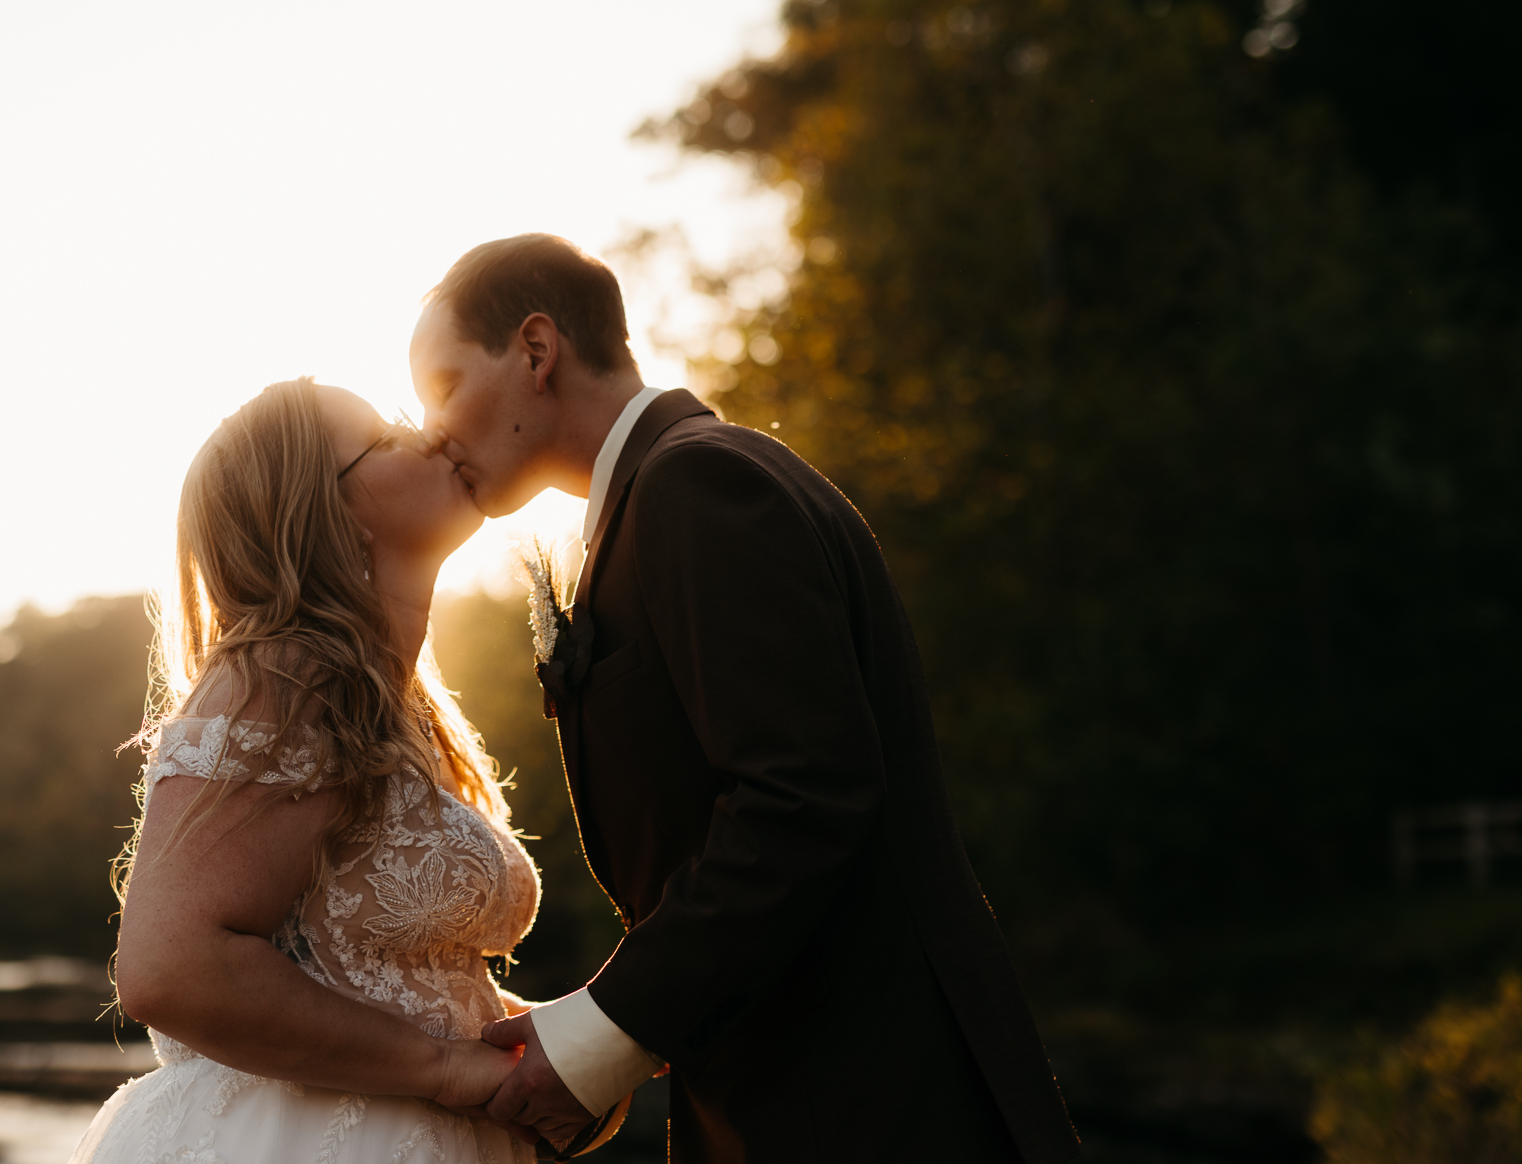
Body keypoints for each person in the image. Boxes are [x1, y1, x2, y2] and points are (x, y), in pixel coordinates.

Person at [409, 234, 1083, 1162]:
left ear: (536, 350)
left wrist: (605, 1032)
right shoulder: (663, 498)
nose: (434, 429)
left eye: (443, 385)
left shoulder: (701, 486)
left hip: (873, 1100)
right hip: (803, 1090)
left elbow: (802, 798)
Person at [71, 378, 540, 1164]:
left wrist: (561, 1046)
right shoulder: (288, 674)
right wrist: (443, 1067)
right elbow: (168, 969)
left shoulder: (395, 703)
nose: (425, 433)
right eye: (384, 435)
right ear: (329, 512)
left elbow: (368, 969)